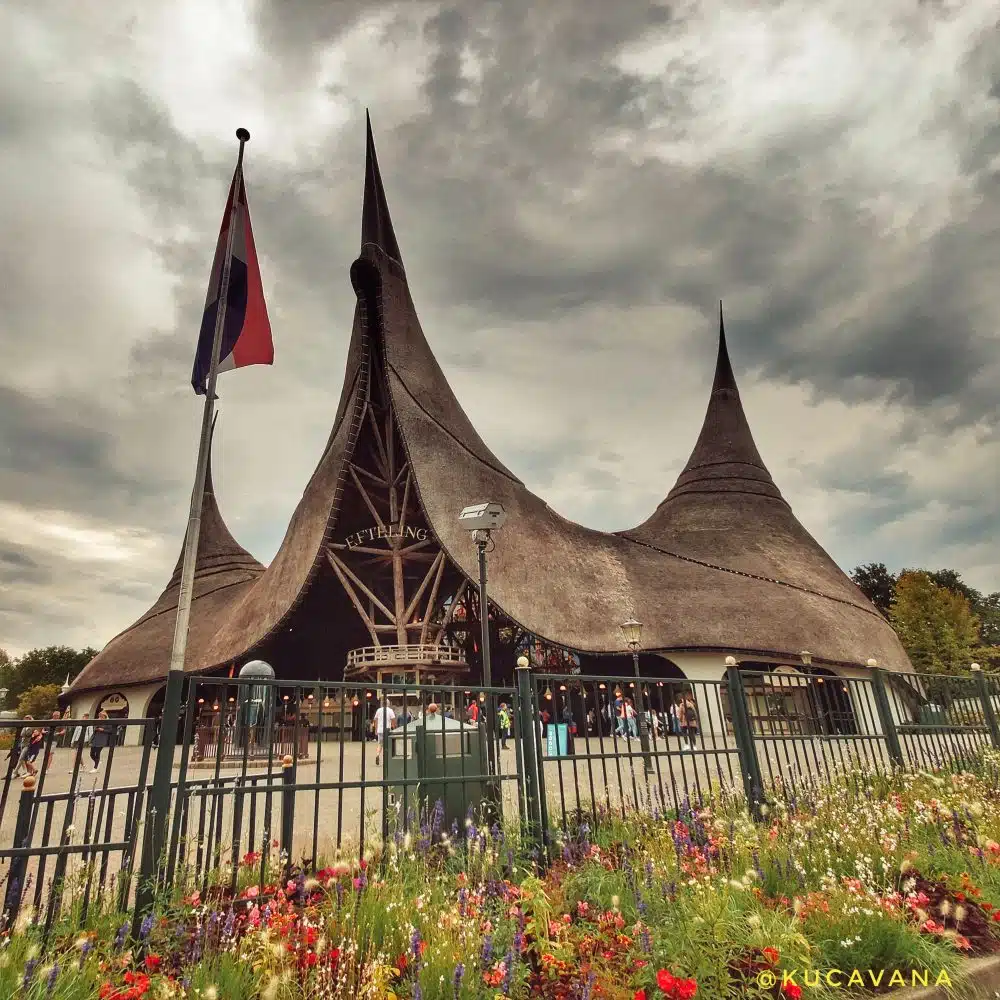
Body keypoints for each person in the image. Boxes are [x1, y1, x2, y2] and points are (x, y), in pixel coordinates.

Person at [372, 698, 396, 766]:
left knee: (380, 744)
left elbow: (375, 720)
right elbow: (393, 720)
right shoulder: (390, 710)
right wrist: (394, 728)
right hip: (387, 730)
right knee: (387, 745)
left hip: (380, 730)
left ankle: (377, 755)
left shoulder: (378, 710)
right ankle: (386, 760)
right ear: (388, 704)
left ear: (382, 704)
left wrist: (376, 730)